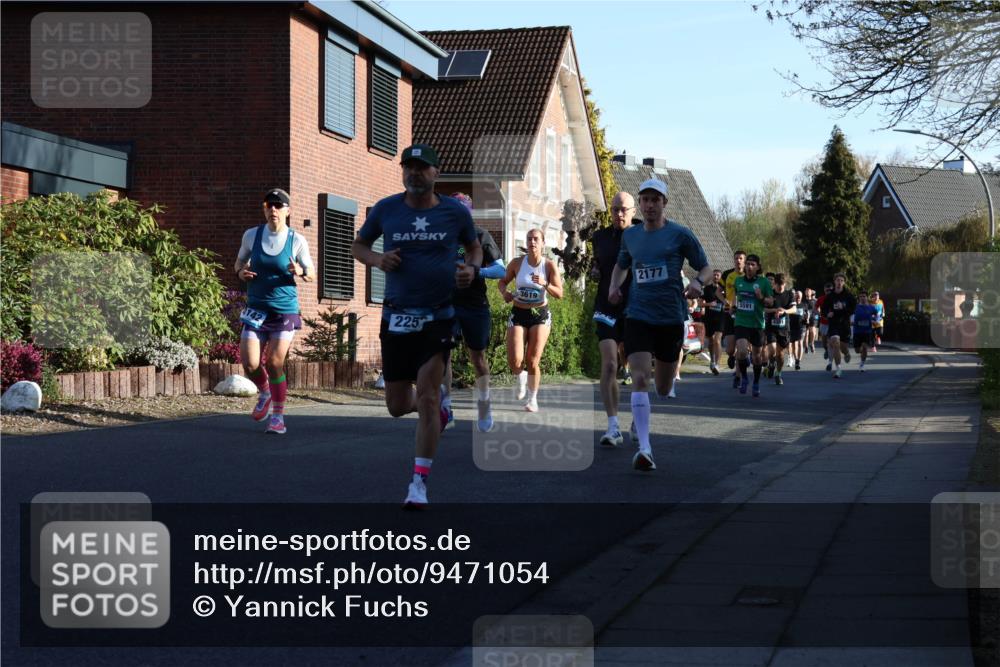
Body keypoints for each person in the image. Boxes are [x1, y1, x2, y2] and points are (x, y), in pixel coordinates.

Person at [351, 144, 482, 507]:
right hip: (396, 315)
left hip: (438, 315)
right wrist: (378, 259)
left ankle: (418, 484)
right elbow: (358, 246)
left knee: (425, 393)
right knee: (396, 405)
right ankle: (438, 408)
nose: (414, 174)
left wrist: (470, 269)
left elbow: (474, 248)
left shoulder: (455, 212)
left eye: (422, 168)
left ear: (436, 174)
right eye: (409, 167)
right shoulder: (386, 209)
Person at [609, 178, 711, 471]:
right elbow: (621, 265)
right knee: (640, 378)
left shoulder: (680, 234)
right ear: (639, 204)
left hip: (669, 317)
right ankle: (645, 448)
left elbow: (703, 267)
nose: (650, 205)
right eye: (646, 200)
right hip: (638, 315)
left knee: (663, 388)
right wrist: (614, 287)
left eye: (656, 200)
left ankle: (642, 419)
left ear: (664, 203)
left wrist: (696, 282)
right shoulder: (631, 236)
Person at [234, 187, 315, 435]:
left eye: (278, 206)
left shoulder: (296, 240)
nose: (273, 210)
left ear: (287, 211)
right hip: (257, 309)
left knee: (276, 361)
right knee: (249, 362)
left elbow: (311, 274)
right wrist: (241, 272)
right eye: (269, 205)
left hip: (283, 311)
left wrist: (299, 272)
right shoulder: (251, 235)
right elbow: (238, 263)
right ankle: (265, 392)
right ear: (264, 209)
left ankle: (278, 416)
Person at [440, 192, 505, 433]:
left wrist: (477, 272)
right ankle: (446, 408)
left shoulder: (480, 236)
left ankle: (485, 403)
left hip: (475, 305)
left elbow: (501, 270)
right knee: (442, 355)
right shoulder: (442, 238)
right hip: (447, 304)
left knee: (477, 358)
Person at [498, 228, 563, 412]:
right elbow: (502, 282)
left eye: (536, 239)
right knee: (515, 360)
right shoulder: (517, 263)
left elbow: (560, 293)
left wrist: (545, 284)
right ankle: (521, 376)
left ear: (543, 243)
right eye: (529, 239)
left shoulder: (549, 265)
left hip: (540, 314)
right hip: (518, 312)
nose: (532, 242)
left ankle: (532, 399)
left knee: (533, 360)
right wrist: (505, 293)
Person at [591, 192, 635, 447]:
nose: (619, 214)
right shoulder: (600, 237)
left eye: (623, 210)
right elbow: (599, 264)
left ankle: (638, 414)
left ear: (632, 211)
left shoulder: (642, 233)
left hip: (635, 307)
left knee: (636, 367)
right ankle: (613, 426)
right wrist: (596, 270)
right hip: (606, 305)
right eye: (615, 209)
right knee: (609, 365)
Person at [732, 254, 773, 397]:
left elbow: (771, 302)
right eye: (747, 264)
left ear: (757, 267)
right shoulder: (738, 281)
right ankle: (744, 378)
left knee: (756, 357)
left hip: (757, 324)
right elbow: (736, 297)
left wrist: (761, 297)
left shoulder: (764, 282)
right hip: (741, 322)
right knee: (742, 351)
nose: (749, 267)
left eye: (752, 264)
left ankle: (756, 382)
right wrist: (733, 306)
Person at [824, 273, 857, 379]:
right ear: (834, 281)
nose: (839, 282)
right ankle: (838, 369)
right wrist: (827, 314)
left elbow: (853, 309)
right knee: (835, 343)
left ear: (844, 282)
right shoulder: (830, 296)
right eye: (837, 280)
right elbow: (824, 309)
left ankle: (846, 353)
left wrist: (843, 307)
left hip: (844, 324)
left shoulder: (848, 295)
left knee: (843, 348)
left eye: (841, 280)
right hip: (834, 324)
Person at [765, 273, 794, 385]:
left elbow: (794, 309)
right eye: (778, 285)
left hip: (784, 328)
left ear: (785, 284)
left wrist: (785, 311)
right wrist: (775, 310)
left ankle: (778, 373)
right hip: (771, 327)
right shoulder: (770, 294)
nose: (781, 287)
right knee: (772, 350)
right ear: (775, 284)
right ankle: (771, 363)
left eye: (783, 285)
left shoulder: (789, 294)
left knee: (780, 355)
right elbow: (764, 309)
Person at [721, 250, 747, 375]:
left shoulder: (749, 276)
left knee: (741, 344)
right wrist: (724, 300)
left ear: (744, 260)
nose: (738, 260)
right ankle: (732, 356)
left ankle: (739, 375)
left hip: (744, 313)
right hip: (729, 312)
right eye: (736, 258)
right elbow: (718, 291)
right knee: (730, 349)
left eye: (741, 258)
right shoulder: (727, 274)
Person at [701, 268, 725, 376]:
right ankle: (712, 360)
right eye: (714, 275)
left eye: (718, 275)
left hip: (721, 317)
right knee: (710, 341)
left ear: (720, 277)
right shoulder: (707, 289)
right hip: (709, 318)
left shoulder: (724, 289)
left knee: (717, 340)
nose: (716, 277)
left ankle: (717, 364)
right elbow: (700, 303)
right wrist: (709, 304)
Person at [853, 292, 878, 372]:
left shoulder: (871, 307)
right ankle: (862, 353)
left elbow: (877, 315)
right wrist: (851, 321)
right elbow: (849, 315)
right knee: (857, 350)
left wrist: (875, 321)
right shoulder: (856, 307)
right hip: (857, 331)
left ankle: (862, 364)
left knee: (864, 347)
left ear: (867, 298)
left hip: (867, 331)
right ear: (859, 298)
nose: (862, 298)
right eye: (861, 296)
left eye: (864, 296)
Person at [788, 289, 805, 370]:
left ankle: (798, 361)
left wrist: (807, 319)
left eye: (800, 296)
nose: (798, 297)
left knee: (798, 344)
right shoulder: (791, 305)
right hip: (791, 327)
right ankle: (794, 358)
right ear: (795, 296)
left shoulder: (804, 305)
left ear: (801, 297)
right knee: (793, 344)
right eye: (797, 296)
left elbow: (806, 315)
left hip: (800, 327)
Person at [803, 287, 819, 354]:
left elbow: (818, 309)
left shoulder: (815, 301)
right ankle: (806, 346)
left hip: (813, 318)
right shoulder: (803, 301)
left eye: (809, 291)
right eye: (806, 291)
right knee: (806, 334)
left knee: (812, 331)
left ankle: (812, 343)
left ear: (811, 293)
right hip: (805, 318)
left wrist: (819, 313)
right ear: (805, 293)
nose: (807, 292)